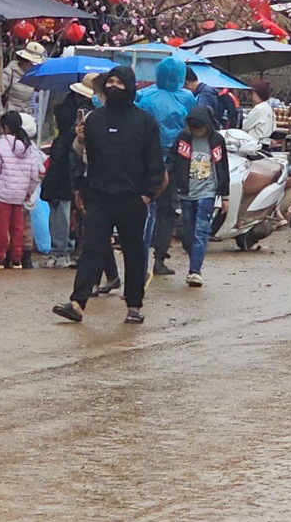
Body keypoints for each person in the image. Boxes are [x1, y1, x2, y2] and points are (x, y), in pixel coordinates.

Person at [54, 63, 165, 326]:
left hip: (132, 199)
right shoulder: (94, 119)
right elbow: (81, 156)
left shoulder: (145, 122)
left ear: (130, 87)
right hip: (99, 197)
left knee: (134, 252)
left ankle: (134, 305)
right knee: (92, 249)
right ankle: (77, 303)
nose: (113, 87)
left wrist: (147, 195)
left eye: (119, 83)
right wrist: (79, 147)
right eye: (110, 83)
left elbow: (155, 164)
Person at [138, 55, 192, 277]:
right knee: (168, 210)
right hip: (175, 160)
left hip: (146, 159)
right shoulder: (187, 98)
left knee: (144, 207)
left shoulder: (143, 95)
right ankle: (159, 258)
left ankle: (140, 251)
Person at [170, 108, 228, 286]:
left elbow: (223, 167)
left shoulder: (217, 140)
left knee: (201, 230)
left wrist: (225, 195)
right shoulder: (182, 138)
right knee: (188, 232)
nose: (196, 132)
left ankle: (195, 271)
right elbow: (173, 161)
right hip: (186, 193)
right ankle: (194, 256)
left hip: (207, 193)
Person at [0, 110, 45, 269]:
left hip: (3, 194)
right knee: (18, 228)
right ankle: (17, 260)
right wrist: (28, 192)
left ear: (5, 127)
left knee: (1, 228)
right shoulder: (28, 146)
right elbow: (34, 174)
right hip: (20, 195)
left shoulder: (0, 145)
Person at [39, 81, 92, 269]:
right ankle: (70, 249)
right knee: (74, 208)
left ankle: (60, 252)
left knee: (60, 205)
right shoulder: (90, 113)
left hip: (65, 167)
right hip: (80, 170)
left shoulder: (66, 114)